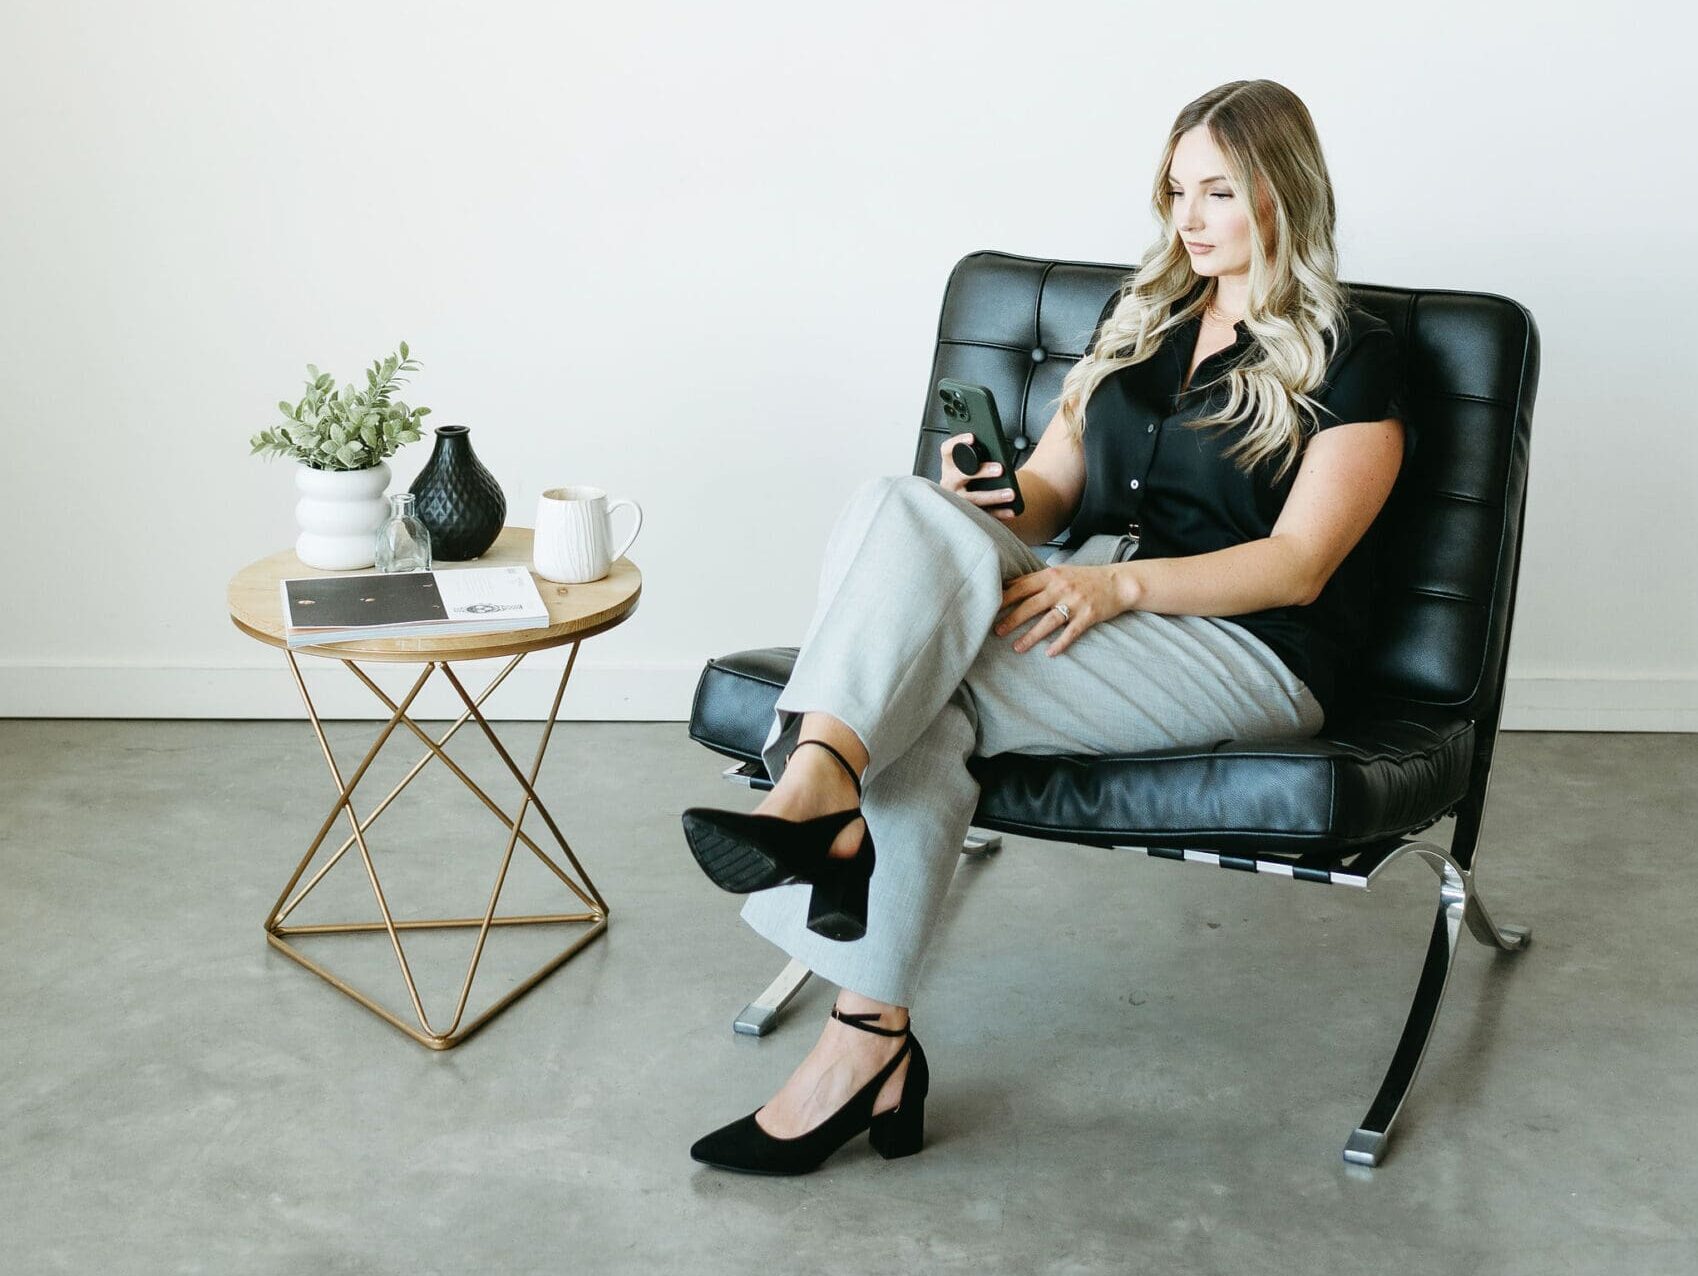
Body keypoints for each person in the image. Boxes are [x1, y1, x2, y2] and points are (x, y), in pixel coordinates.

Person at [680, 78, 1406, 1176]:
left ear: (1281, 191)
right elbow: (1052, 497)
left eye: (1217, 191)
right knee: (899, 505)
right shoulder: (1147, 321)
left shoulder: (1354, 353)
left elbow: (1300, 567)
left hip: (1249, 646)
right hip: (1099, 588)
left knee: (926, 695)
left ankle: (834, 886)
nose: (1189, 218)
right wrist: (990, 501)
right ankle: (845, 914)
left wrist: (1119, 590)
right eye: (1176, 191)